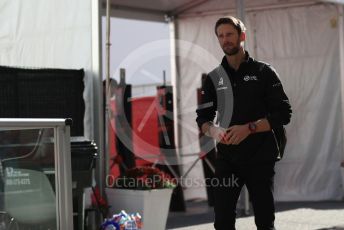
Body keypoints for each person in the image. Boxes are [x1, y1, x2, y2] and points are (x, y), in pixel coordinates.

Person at [196, 16, 292, 230]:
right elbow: (202, 119)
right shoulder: (213, 78)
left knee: (264, 222)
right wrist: (213, 130)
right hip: (227, 158)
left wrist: (250, 128)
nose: (225, 40)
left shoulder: (264, 72)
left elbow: (283, 114)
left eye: (229, 34)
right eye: (220, 36)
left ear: (242, 36)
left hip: (260, 157)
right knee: (222, 221)